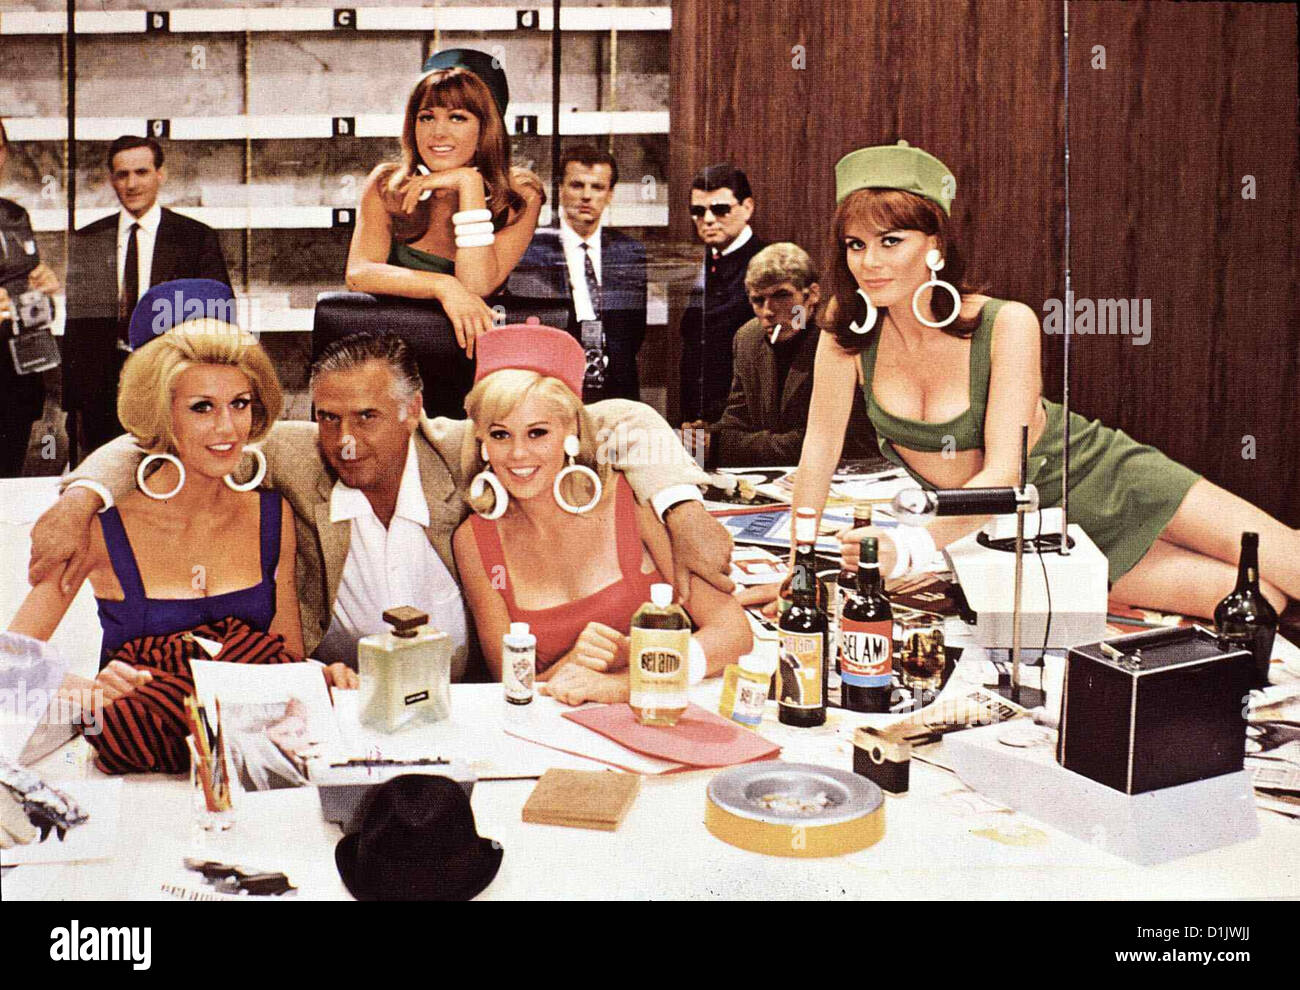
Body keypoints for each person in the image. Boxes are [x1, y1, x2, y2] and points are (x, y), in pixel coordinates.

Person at [32, 331, 736, 680]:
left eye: (367, 417)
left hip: (466, 700)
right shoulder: (291, 456)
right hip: (343, 701)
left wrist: (683, 506)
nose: (344, 440)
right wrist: (79, 498)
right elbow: (162, 437)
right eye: (329, 417)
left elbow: (616, 418)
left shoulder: (470, 447)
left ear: (412, 410)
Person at [791, 140, 1299, 619]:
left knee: (1289, 564)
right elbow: (817, 454)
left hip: (1107, 479)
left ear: (935, 245)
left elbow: (1005, 474)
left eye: (891, 241)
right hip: (1031, 535)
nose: (869, 263)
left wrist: (913, 545)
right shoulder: (846, 328)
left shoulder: (1005, 322)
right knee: (1254, 597)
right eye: (855, 244)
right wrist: (800, 572)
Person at [8, 318, 355, 692]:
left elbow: (285, 662)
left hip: (245, 728)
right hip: (137, 728)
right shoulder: (100, 527)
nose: (227, 427)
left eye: (239, 404)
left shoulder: (272, 516)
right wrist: (87, 692)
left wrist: (319, 677)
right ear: (161, 414)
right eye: (202, 407)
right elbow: (7, 667)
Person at [453, 325, 753, 706]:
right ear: (481, 441)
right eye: (500, 435)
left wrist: (627, 683)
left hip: (665, 717)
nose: (518, 455)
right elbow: (510, 682)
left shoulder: (632, 498)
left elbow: (733, 632)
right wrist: (572, 662)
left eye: (537, 433)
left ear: (572, 430)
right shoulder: (473, 540)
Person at [346, 48, 545, 362]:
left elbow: (476, 285)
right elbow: (359, 274)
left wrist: (468, 183)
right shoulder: (388, 183)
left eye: (457, 117)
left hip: (479, 357)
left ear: (486, 128)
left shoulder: (521, 193)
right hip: (392, 355)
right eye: (427, 117)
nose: (438, 133)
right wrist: (443, 287)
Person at [63, 135, 230, 455]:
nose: (132, 184)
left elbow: (217, 318)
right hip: (103, 392)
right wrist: (73, 406)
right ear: (111, 179)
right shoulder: (88, 239)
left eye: (141, 172)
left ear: (160, 174)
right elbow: (77, 327)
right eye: (122, 175)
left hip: (171, 383)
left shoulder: (195, 238)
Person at [684, 242, 874, 469]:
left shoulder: (839, 336)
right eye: (758, 300)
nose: (768, 311)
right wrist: (702, 438)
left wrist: (720, 446)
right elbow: (738, 419)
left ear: (812, 294)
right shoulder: (748, 338)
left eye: (782, 296)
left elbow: (844, 440)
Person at [512, 144, 648, 402]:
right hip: (552, 387)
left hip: (617, 390)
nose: (587, 196)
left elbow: (633, 332)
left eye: (597, 187)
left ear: (610, 194)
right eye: (577, 185)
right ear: (560, 189)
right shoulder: (530, 250)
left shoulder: (629, 252)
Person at [679, 163, 768, 427]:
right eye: (698, 211)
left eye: (720, 209)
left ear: (747, 208)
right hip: (695, 416)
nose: (707, 219)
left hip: (745, 419)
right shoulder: (697, 260)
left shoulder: (769, 262)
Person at [0, 118, 61, 476]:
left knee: (7, 482)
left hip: (17, 378)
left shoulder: (15, 215)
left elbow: (29, 296)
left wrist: (45, 291)